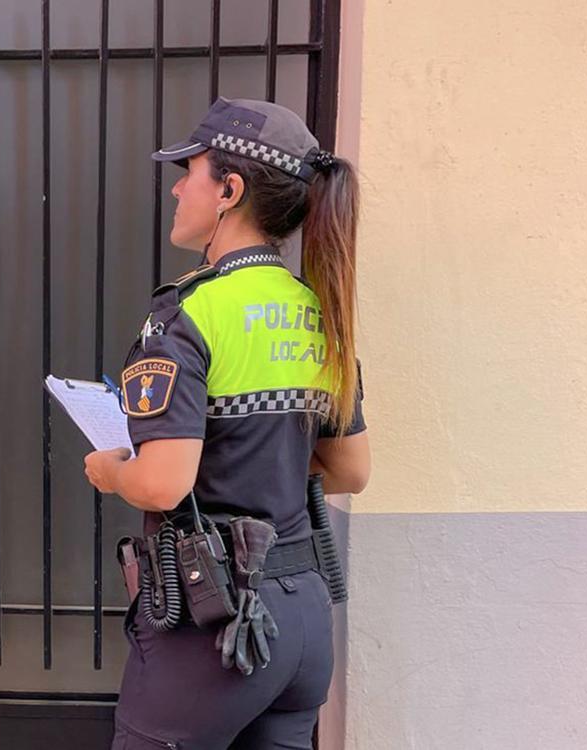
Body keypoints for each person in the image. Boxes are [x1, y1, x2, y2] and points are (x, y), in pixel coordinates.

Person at [83, 97, 371, 749]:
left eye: (189, 172)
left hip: (219, 628)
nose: (179, 188)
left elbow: (160, 485)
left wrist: (111, 469)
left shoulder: (188, 315)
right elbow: (352, 470)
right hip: (302, 621)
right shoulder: (318, 311)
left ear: (229, 190)